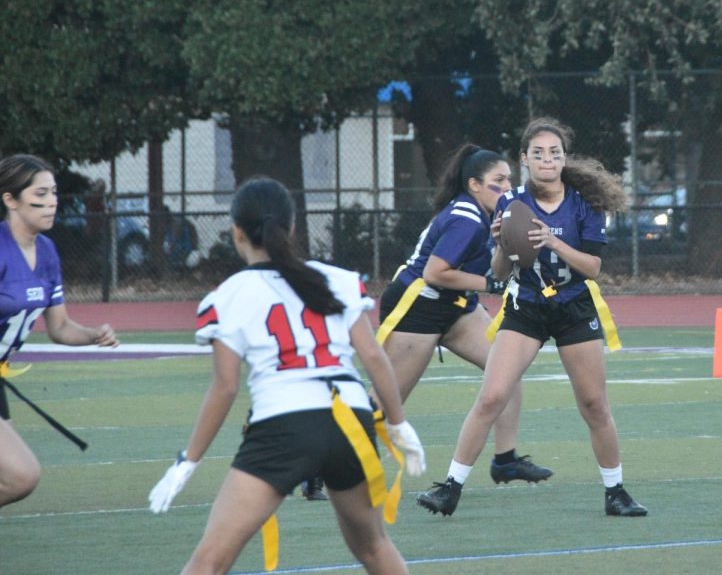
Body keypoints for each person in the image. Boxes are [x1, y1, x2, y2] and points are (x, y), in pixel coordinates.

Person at [147, 177, 426, 575]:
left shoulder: (229, 295)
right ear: (292, 228)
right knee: (374, 547)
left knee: (209, 562)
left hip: (286, 424)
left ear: (236, 232)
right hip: (351, 421)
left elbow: (225, 387)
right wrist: (398, 424)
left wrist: (187, 461)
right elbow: (375, 359)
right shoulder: (336, 280)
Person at [417, 117, 648, 518]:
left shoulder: (583, 203)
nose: (546, 160)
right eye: (538, 153)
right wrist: (503, 245)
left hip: (573, 306)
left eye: (554, 153)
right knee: (491, 396)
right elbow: (502, 272)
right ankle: (450, 488)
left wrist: (552, 239)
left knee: (594, 404)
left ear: (563, 159)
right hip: (526, 305)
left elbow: (593, 267)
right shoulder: (511, 202)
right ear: (524, 159)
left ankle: (616, 492)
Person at [376, 143, 552, 486]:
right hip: (420, 304)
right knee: (386, 404)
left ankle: (505, 459)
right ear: (474, 185)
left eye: (509, 179)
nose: (507, 187)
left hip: (456, 304)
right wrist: (490, 284)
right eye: (497, 181)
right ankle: (316, 468)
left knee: (507, 369)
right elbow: (434, 272)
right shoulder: (467, 219)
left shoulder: (489, 216)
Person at [1, 154, 120, 507]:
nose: (52, 201)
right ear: (10, 199)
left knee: (18, 477)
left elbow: (60, 327)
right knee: (22, 474)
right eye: (41, 193)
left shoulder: (48, 251)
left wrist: (94, 335)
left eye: (54, 192)